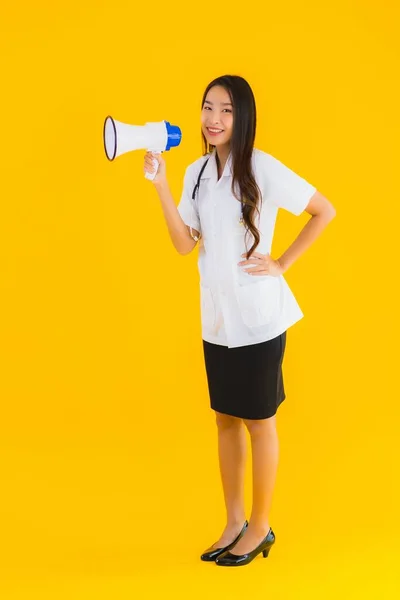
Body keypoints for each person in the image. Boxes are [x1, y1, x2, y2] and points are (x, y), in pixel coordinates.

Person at [143, 75, 336, 567]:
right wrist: (161, 184)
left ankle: (262, 524)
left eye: (226, 110)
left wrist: (281, 264)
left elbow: (322, 210)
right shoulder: (194, 173)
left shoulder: (261, 169)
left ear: (243, 116)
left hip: (258, 318)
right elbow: (185, 244)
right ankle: (234, 522)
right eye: (208, 107)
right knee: (225, 419)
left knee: (259, 421)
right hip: (217, 320)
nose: (213, 119)